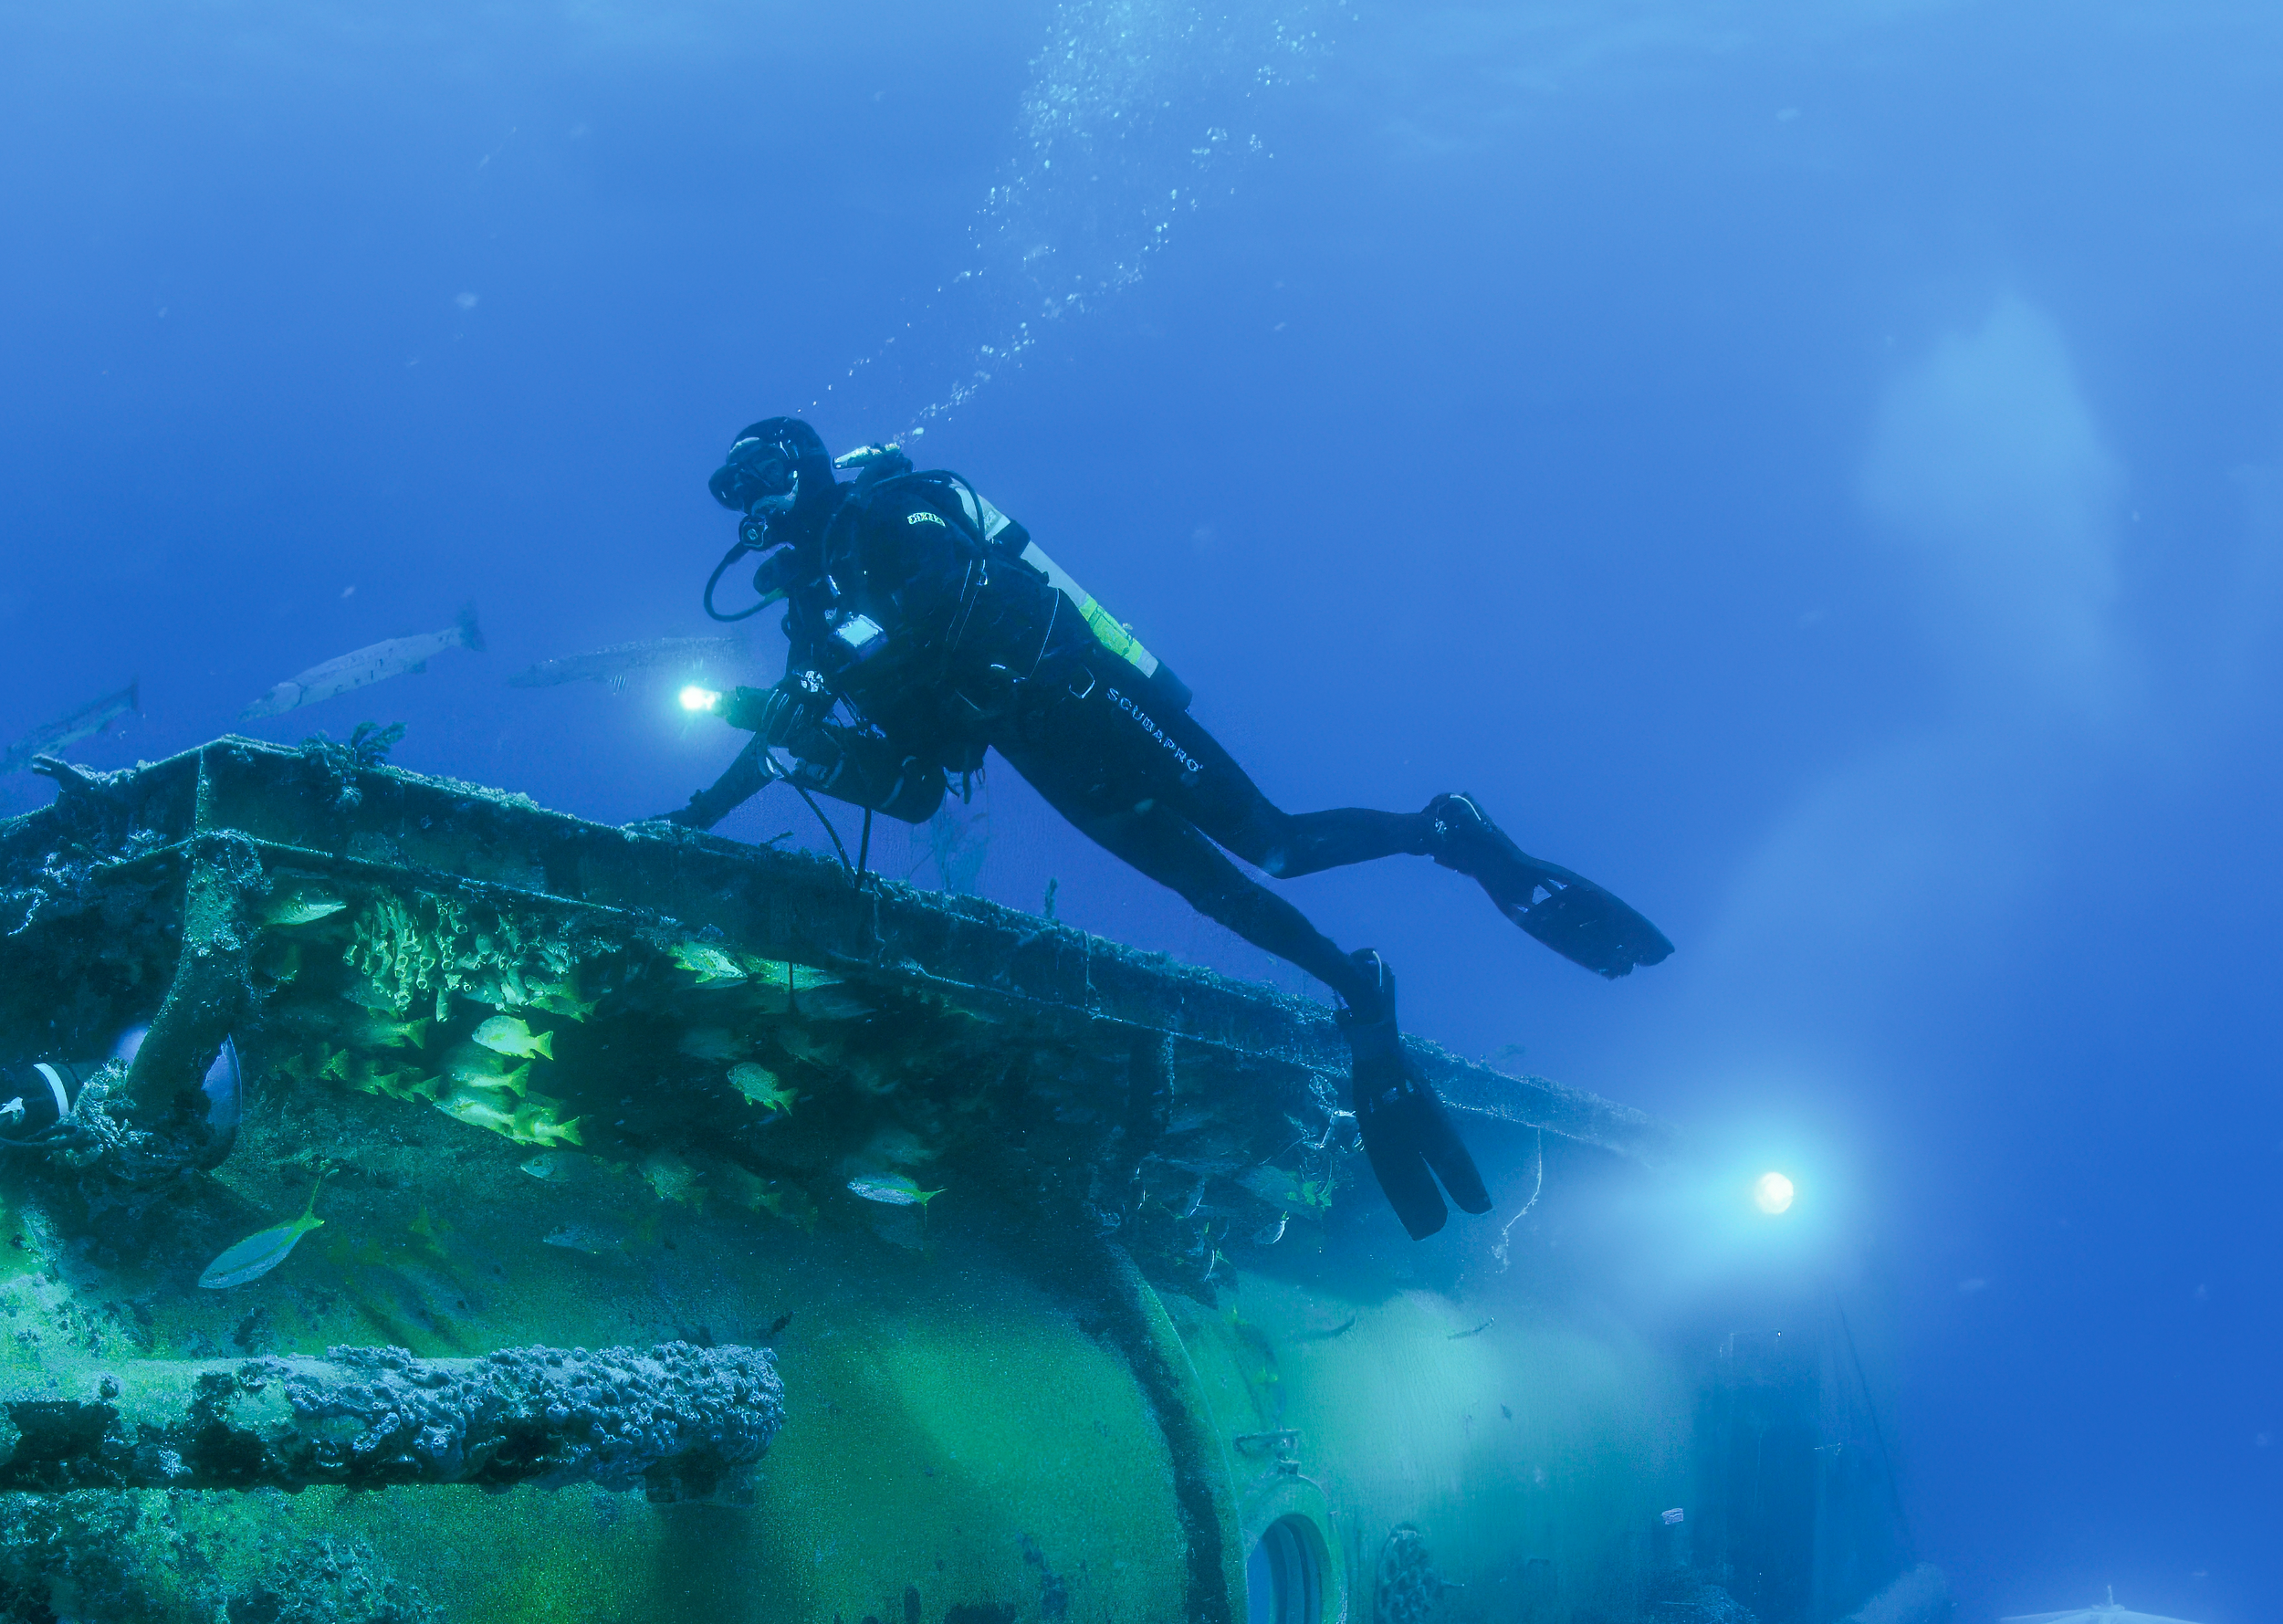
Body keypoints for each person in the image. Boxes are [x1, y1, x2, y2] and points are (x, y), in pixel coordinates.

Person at [654, 417, 1669, 1240]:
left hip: (1090, 700)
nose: (754, 509)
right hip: (1046, 755)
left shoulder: (892, 513)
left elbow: (952, 595)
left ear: (804, 464)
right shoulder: (819, 620)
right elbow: (913, 790)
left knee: (1275, 844)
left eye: (759, 479)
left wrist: (837, 663)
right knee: (1211, 892)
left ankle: (1443, 828)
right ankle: (1354, 987)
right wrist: (775, 752)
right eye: (738, 497)